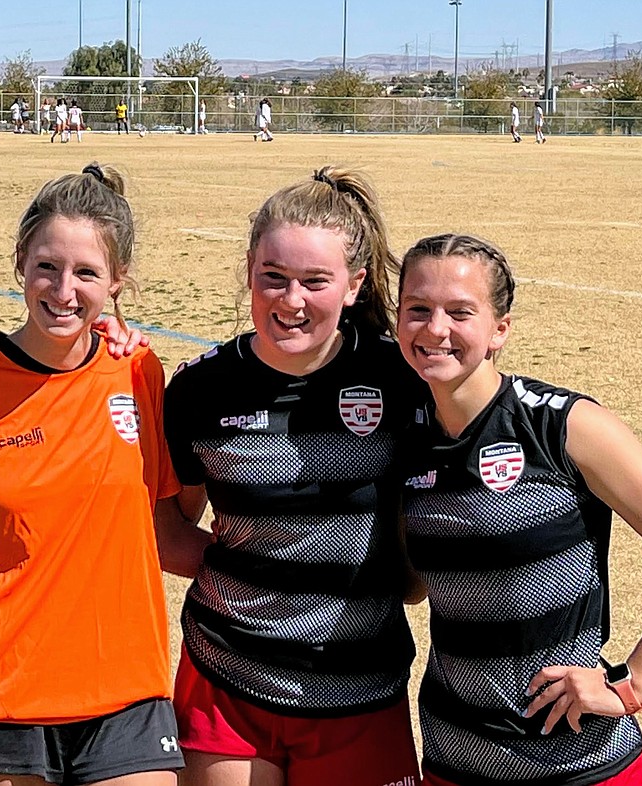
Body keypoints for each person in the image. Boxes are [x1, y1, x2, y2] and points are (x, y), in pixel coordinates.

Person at [395, 233, 642, 786]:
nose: (435, 329)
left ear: (500, 330)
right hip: (455, 756)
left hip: (577, 763)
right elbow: (413, 586)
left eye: (460, 312)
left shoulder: (562, 425)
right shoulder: (406, 438)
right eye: (418, 310)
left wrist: (631, 683)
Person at [0, 163, 184, 786]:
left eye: (87, 273)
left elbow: (165, 525)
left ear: (117, 281)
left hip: (128, 696)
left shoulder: (138, 373)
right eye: (47, 267)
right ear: (19, 263)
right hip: (0, 696)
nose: (64, 289)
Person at [157, 166, 424, 786]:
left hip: (361, 688)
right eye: (272, 278)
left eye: (315, 281)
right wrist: (261, 580)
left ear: (355, 284)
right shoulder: (201, 389)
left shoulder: (402, 377)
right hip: (227, 679)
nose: (291, 300)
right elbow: (171, 534)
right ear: (250, 270)